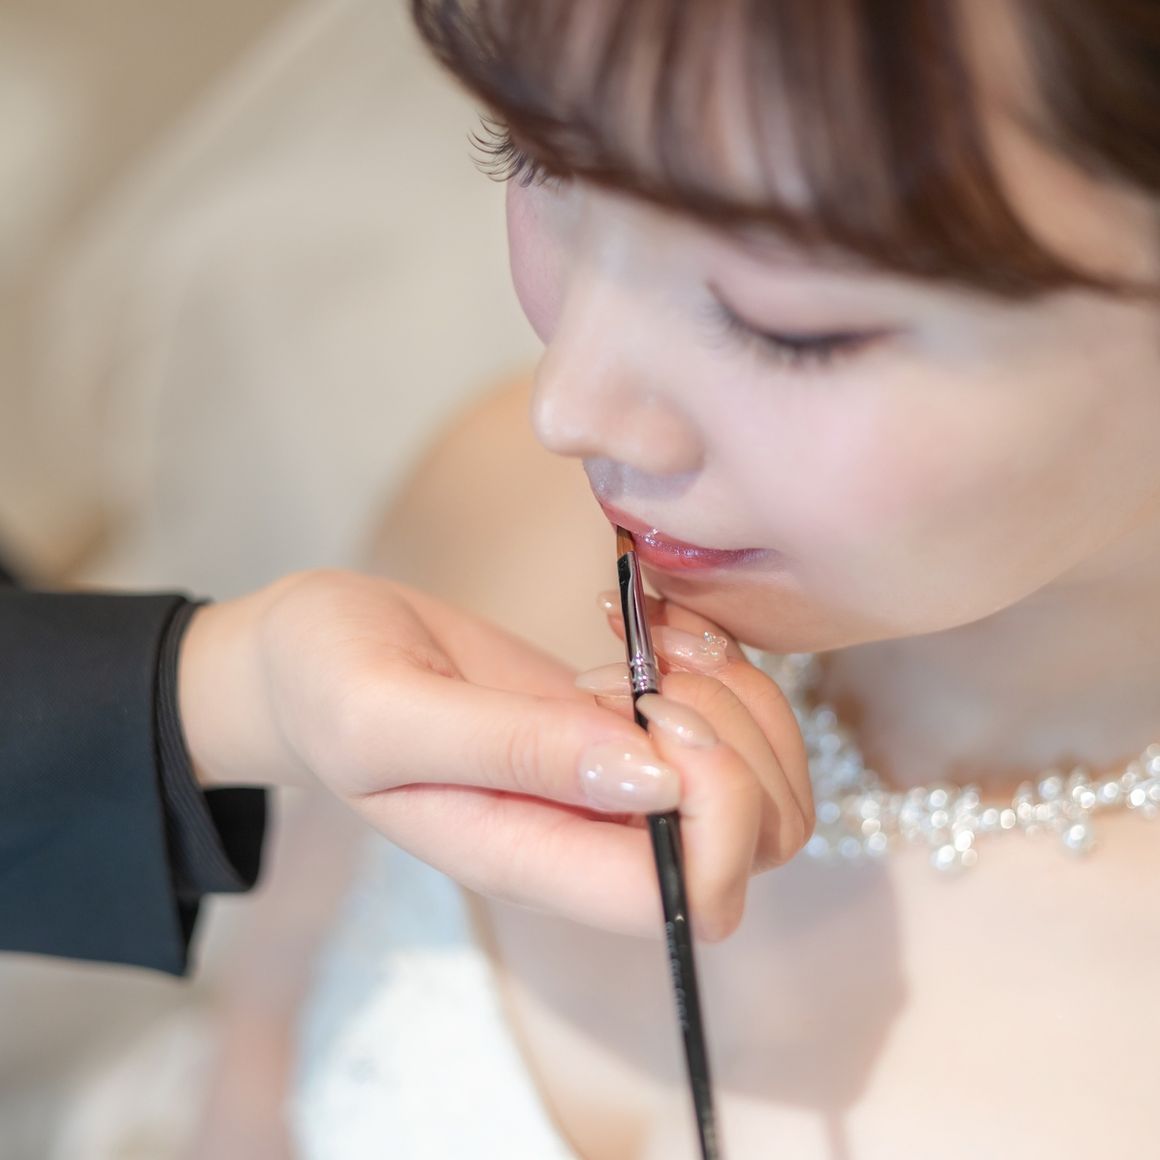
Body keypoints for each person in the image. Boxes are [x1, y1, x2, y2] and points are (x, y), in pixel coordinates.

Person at [288, 1, 1160, 1158]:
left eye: (784, 321)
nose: (568, 405)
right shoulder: (488, 507)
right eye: (539, 156)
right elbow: (250, 1074)